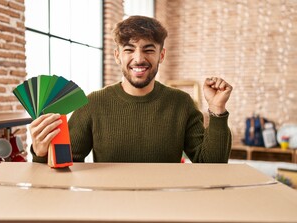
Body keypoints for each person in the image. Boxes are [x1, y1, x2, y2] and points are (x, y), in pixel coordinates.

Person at [30, 15, 233, 164]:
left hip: (166, 208)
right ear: (118, 55)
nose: (138, 59)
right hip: (109, 210)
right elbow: (65, 166)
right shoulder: (92, 103)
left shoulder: (181, 103)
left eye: (148, 49)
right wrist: (39, 154)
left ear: (161, 56)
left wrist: (217, 110)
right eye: (129, 49)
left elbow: (211, 165)